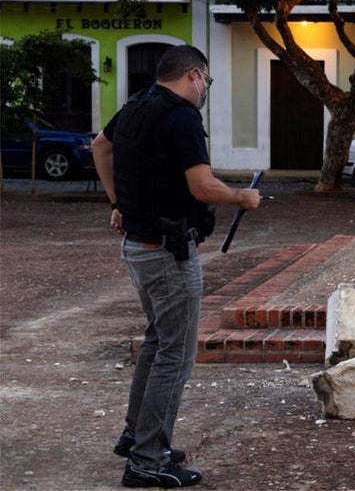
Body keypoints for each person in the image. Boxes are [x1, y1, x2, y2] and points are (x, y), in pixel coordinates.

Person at [92, 45, 261, 489]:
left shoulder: (136, 106)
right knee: (176, 355)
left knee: (156, 342)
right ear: (194, 75)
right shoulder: (183, 117)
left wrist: (118, 203)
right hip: (168, 254)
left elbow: (100, 146)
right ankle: (147, 460)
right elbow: (202, 187)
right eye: (207, 81)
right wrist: (242, 197)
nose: (206, 89)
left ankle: (136, 435)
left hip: (138, 246)